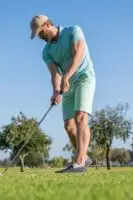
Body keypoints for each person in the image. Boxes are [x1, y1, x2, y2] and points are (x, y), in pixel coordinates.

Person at [30, 15, 96, 173]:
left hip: (84, 78)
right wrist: (55, 91)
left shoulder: (73, 30)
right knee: (69, 126)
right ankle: (84, 157)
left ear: (47, 24)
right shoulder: (46, 51)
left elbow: (79, 53)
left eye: (40, 32)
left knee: (80, 117)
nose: (39, 36)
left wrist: (67, 76)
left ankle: (79, 163)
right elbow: (54, 74)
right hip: (68, 85)